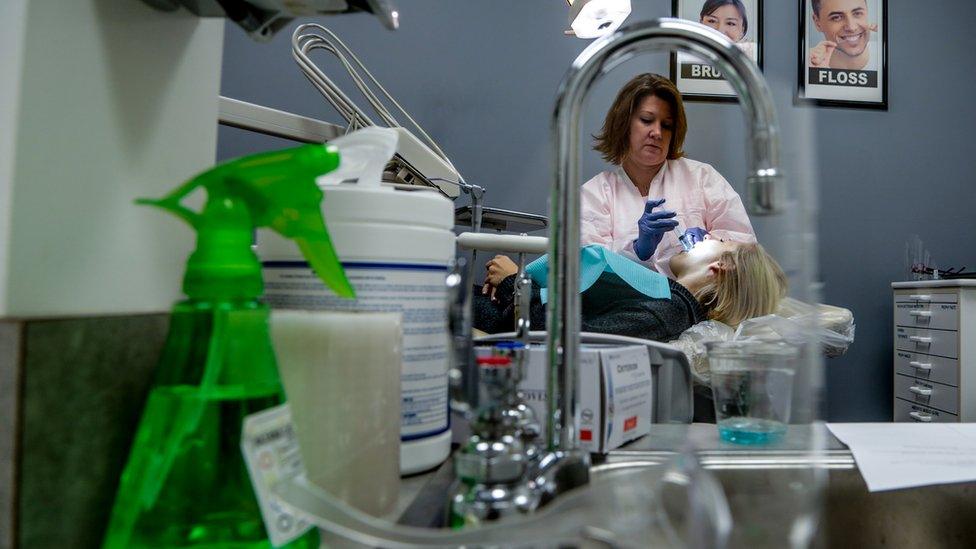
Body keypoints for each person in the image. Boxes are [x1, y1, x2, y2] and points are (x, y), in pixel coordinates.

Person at [581, 73, 756, 279]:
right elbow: (588, 271)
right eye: (647, 120)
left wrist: (709, 245)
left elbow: (746, 252)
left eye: (666, 125)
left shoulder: (702, 178)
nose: (657, 132)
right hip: (627, 307)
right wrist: (637, 251)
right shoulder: (594, 195)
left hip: (702, 306)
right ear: (623, 124)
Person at [475, 238, 787, 342]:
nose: (697, 239)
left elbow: (566, 339)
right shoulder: (663, 297)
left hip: (492, 327)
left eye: (713, 240)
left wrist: (514, 284)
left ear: (722, 265)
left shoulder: (667, 313)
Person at [807, 0, 878, 70]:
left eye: (857, 13)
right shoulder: (806, 63)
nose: (851, 28)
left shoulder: (886, 53)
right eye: (836, 17)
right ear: (817, 23)